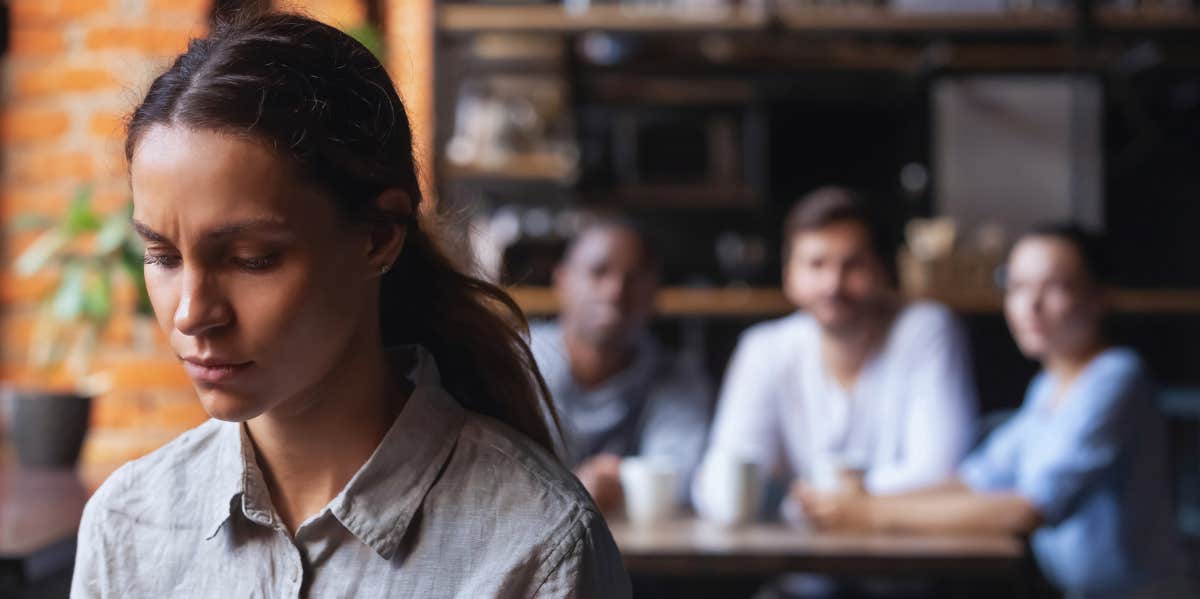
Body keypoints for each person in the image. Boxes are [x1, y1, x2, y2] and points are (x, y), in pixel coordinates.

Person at [71, 12, 630, 598]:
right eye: (163, 256)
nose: (191, 314)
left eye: (251, 258)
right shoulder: (127, 526)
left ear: (378, 235)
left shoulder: (538, 549)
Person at [798, 224, 1196, 599]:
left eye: (1054, 287)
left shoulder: (1115, 377)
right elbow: (976, 479)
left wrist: (870, 513)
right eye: (1018, 286)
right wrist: (861, 496)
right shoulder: (1047, 388)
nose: (1032, 306)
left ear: (1100, 296)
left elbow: (1029, 509)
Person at [693, 187, 978, 521]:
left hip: (912, 558)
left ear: (883, 270)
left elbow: (941, 471)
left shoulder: (925, 329)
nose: (833, 284)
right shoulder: (765, 347)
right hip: (802, 561)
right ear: (790, 276)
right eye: (816, 264)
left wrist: (823, 500)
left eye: (853, 265)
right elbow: (723, 475)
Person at [530, 217, 711, 513]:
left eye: (634, 278)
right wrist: (582, 486)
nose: (616, 291)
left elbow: (679, 479)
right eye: (598, 272)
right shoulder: (514, 364)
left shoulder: (678, 377)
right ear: (561, 281)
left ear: (655, 293)